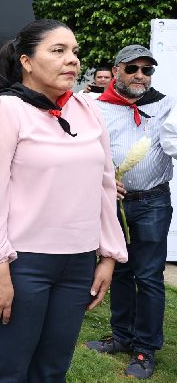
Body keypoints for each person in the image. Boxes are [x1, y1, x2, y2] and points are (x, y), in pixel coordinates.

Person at [0, 19, 128, 382]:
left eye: (74, 51)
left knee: (52, 370)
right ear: (26, 61)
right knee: (6, 371)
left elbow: (104, 185)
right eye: (58, 51)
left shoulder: (87, 110)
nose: (72, 60)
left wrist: (108, 255)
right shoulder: (4, 111)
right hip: (20, 263)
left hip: (78, 263)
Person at [86, 44, 175, 379]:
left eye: (146, 70)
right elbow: (86, 149)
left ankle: (145, 348)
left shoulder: (166, 104)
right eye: (132, 68)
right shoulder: (97, 106)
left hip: (153, 201)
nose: (140, 75)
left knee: (148, 275)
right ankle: (122, 336)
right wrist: (103, 179)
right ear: (116, 70)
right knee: (119, 269)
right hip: (114, 202)